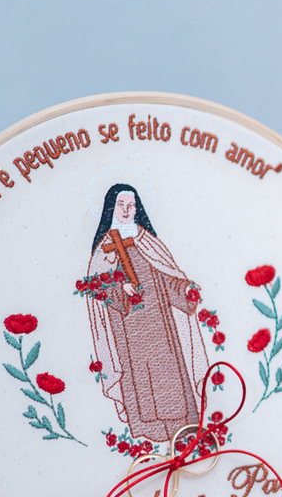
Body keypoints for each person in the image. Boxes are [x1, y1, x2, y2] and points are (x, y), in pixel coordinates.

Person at [84, 184, 207, 446]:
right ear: (111, 208)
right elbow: (96, 287)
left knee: (169, 376)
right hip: (129, 330)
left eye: (131, 205)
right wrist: (119, 288)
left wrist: (185, 289)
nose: (126, 210)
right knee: (140, 381)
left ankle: (182, 428)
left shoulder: (146, 241)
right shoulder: (104, 249)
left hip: (161, 326)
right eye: (121, 205)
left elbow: (166, 276)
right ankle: (149, 433)